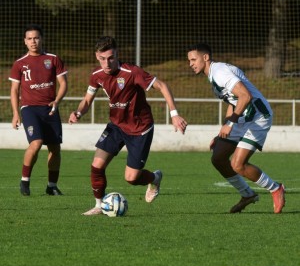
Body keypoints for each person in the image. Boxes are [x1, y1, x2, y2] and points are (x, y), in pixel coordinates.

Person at [68, 36, 187, 215]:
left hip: (140, 129)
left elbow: (162, 85)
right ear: (96, 57)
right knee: (96, 165)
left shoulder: (132, 72)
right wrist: (78, 112)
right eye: (102, 59)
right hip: (116, 125)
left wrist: (174, 114)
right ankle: (99, 205)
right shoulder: (96, 76)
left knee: (131, 178)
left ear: (117, 54)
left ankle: (154, 178)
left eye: (110, 58)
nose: (106, 63)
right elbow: (87, 100)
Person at [187, 43, 285, 214]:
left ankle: (275, 188)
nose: (191, 64)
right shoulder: (213, 76)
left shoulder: (219, 72)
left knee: (238, 164)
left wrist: (230, 124)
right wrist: (222, 130)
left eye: (193, 59)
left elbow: (245, 96)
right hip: (243, 117)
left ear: (205, 57)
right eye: (189, 61)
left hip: (258, 117)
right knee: (218, 157)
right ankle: (247, 194)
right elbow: (233, 102)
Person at [9, 24, 68, 196]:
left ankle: (51, 186)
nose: (33, 41)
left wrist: (57, 101)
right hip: (29, 109)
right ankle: (25, 181)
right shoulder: (19, 63)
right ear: (25, 42)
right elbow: (14, 90)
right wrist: (15, 114)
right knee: (35, 143)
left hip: (50, 109)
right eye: (30, 38)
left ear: (41, 39)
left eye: (36, 38)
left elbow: (63, 83)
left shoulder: (53, 59)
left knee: (55, 148)